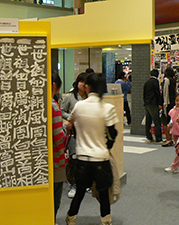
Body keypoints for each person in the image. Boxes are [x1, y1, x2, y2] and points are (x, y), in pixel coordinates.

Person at [66, 73, 119, 225]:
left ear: (88, 87)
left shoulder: (79, 105)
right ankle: (106, 221)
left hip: (82, 158)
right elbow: (113, 133)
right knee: (103, 194)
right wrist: (107, 146)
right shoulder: (107, 107)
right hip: (101, 158)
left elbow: (70, 123)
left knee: (80, 193)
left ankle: (71, 220)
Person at [61, 72, 87, 198]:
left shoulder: (90, 97)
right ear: (77, 83)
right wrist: (71, 118)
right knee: (73, 159)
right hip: (73, 133)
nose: (83, 85)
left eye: (85, 82)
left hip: (86, 133)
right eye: (81, 81)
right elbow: (62, 111)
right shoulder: (70, 96)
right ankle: (73, 185)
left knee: (85, 159)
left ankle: (83, 183)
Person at [51, 72, 73, 223]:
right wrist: (66, 127)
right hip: (55, 158)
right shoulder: (53, 106)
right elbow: (59, 138)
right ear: (54, 85)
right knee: (54, 196)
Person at [143, 69, 163, 143]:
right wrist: (159, 103)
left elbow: (144, 94)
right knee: (156, 121)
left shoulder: (146, 82)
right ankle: (158, 138)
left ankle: (149, 136)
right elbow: (157, 93)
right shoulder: (155, 82)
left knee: (148, 121)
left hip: (147, 103)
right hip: (153, 103)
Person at [161, 67, 176, 147]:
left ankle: (168, 138)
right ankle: (172, 138)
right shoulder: (173, 80)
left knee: (165, 120)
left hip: (167, 103)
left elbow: (165, 93)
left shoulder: (166, 80)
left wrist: (164, 103)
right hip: (173, 102)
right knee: (171, 120)